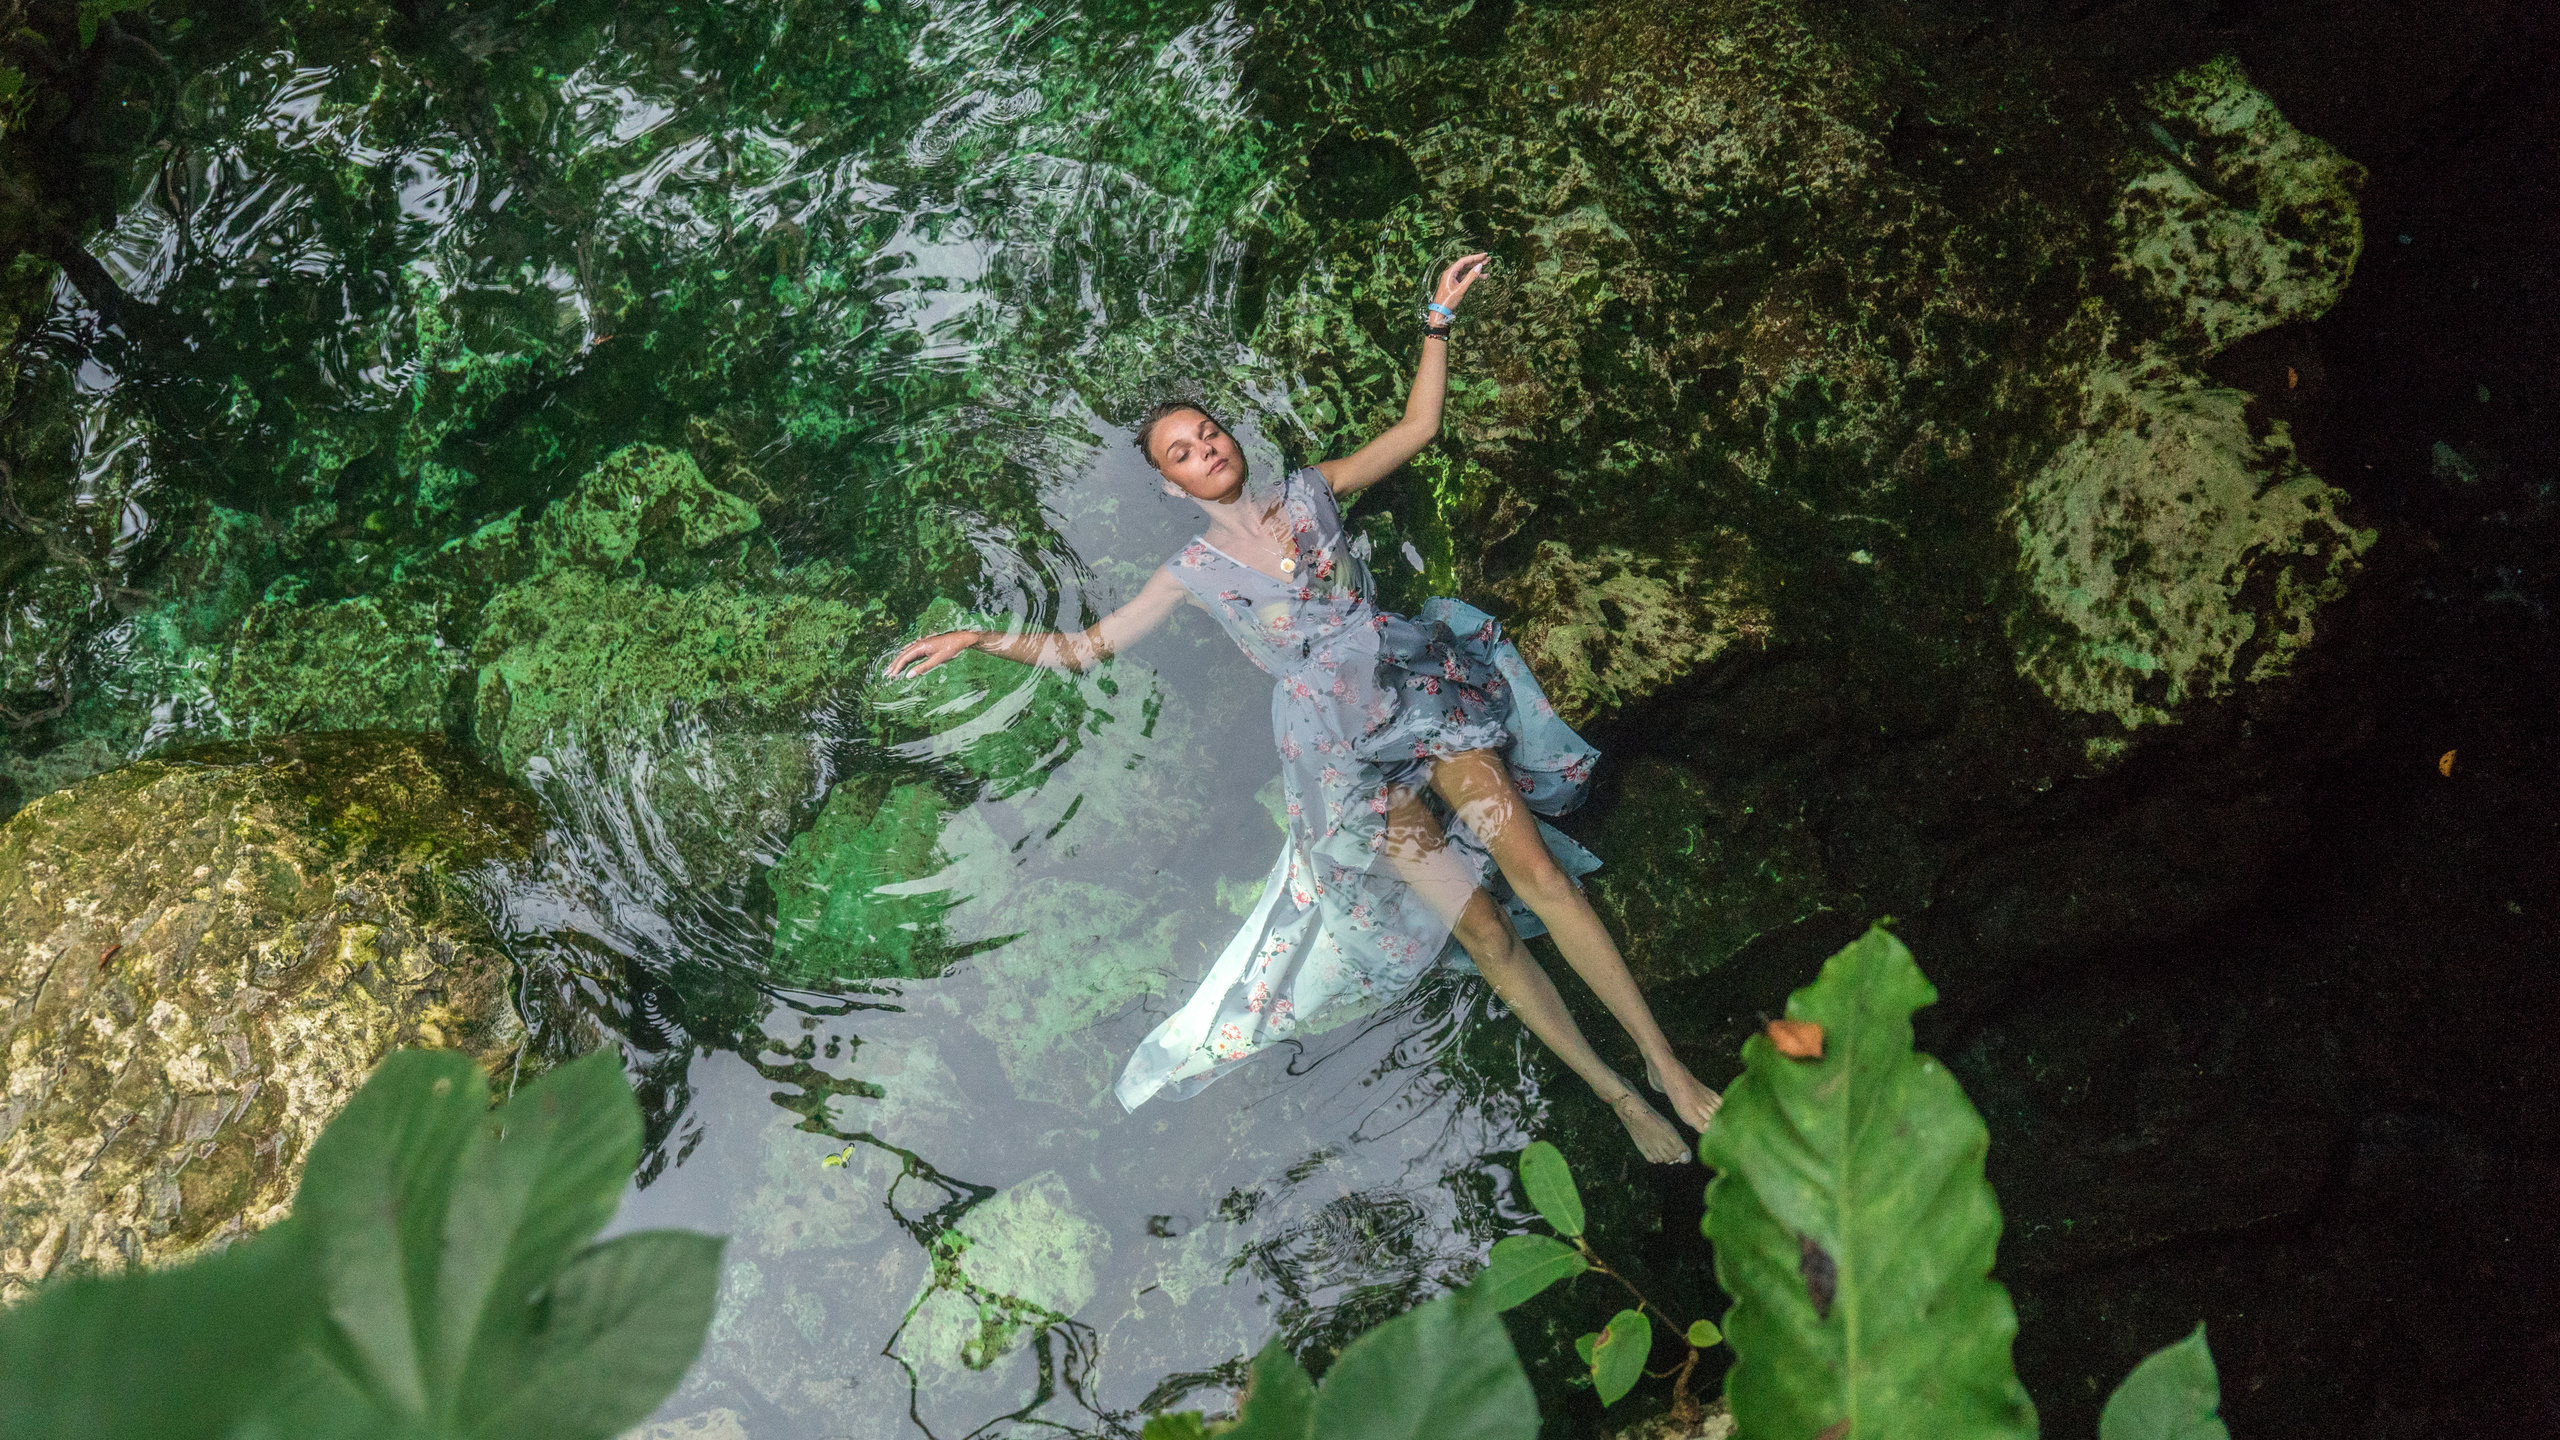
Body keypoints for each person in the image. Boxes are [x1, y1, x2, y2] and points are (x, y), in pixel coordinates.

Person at [885, 254, 1720, 1161]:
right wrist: (977, 637)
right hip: (1341, 758)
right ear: (1171, 487)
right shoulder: (1189, 573)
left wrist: (1436, 320)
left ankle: (1664, 1063)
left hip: (1418, 697)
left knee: (1539, 876)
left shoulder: (1312, 491)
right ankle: (1614, 1094)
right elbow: (1087, 646)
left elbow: (1419, 428)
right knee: (1481, 931)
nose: (1206, 450)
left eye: (1208, 433)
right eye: (1182, 453)